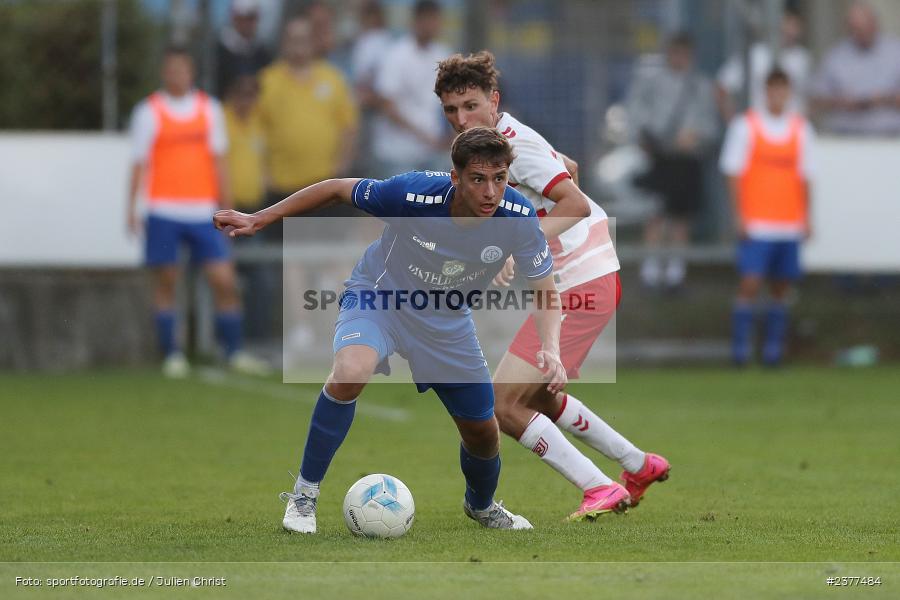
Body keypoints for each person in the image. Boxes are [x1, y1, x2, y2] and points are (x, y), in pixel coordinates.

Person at [213, 127, 566, 532]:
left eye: (500, 179)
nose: (490, 191)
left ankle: (482, 506)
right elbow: (337, 188)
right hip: (379, 298)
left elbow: (546, 292)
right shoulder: (412, 195)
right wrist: (261, 217)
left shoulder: (518, 220)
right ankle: (304, 498)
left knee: (483, 431)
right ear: (455, 177)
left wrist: (552, 350)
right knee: (350, 372)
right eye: (478, 179)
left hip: (445, 321)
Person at [435, 51, 670, 520]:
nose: (461, 119)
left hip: (582, 283)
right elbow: (572, 165)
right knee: (539, 397)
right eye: (451, 110)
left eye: (471, 106)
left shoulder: (511, 144)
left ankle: (599, 487)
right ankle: (637, 464)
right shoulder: (494, 146)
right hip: (587, 278)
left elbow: (576, 202)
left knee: (501, 404)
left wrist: (515, 246)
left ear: (494, 100)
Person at [126, 46, 269, 377]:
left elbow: (220, 162)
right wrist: (132, 208)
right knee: (167, 281)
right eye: (172, 69)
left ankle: (233, 350)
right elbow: (138, 163)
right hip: (162, 209)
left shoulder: (209, 110)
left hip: (204, 211)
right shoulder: (148, 112)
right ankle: (172, 353)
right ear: (165, 72)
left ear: (191, 72)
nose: (178, 75)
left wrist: (229, 208)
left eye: (183, 69)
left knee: (224, 279)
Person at [720, 69, 815, 366]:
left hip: (788, 222)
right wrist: (740, 215)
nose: (778, 95)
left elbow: (807, 176)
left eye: (783, 90)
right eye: (773, 89)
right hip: (758, 222)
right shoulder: (746, 126)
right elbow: (733, 173)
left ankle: (773, 351)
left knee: (782, 286)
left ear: (789, 93)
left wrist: (807, 217)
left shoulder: (801, 129)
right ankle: (741, 351)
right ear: (765, 91)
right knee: (750, 283)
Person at [626, 33, 718, 290]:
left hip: (687, 160)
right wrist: (644, 139)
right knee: (654, 213)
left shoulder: (701, 86)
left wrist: (695, 137)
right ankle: (651, 271)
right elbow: (636, 114)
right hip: (660, 158)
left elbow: (711, 126)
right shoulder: (652, 82)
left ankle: (676, 273)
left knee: (681, 218)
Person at [257, 16, 360, 239]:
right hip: (282, 189)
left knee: (323, 256)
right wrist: (264, 174)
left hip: (325, 189)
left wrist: (341, 167)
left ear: (313, 42)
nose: (298, 44)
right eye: (293, 39)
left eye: (303, 39)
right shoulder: (268, 81)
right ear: (284, 43)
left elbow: (349, 127)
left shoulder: (333, 79)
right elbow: (256, 130)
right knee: (284, 261)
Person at [371, 0, 452, 176]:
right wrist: (422, 135)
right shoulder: (396, 54)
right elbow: (387, 105)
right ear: (416, 21)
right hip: (399, 153)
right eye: (427, 19)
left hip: (433, 152)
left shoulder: (443, 53)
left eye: (435, 20)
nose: (432, 25)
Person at [223, 74, 271, 341]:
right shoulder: (221, 120)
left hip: (253, 212)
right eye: (242, 94)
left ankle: (256, 338)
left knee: (261, 279)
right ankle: (228, 341)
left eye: (252, 94)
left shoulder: (258, 124)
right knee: (226, 279)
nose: (247, 100)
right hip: (229, 211)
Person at [811, 1, 900, 136]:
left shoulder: (895, 51)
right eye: (855, 29)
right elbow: (816, 98)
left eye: (864, 28)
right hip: (846, 137)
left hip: (890, 136)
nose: (860, 33)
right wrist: (841, 102)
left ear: (875, 24)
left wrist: (886, 99)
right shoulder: (836, 55)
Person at [716, 11, 811, 120]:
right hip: (758, 126)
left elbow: (808, 97)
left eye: (795, 26)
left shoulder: (803, 59)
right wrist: (733, 121)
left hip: (791, 128)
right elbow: (722, 85)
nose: (790, 31)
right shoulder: (755, 54)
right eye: (787, 24)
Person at [214, 0, 273, 99]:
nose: (246, 24)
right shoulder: (220, 50)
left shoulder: (263, 52)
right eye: (242, 18)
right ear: (234, 18)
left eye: (250, 18)